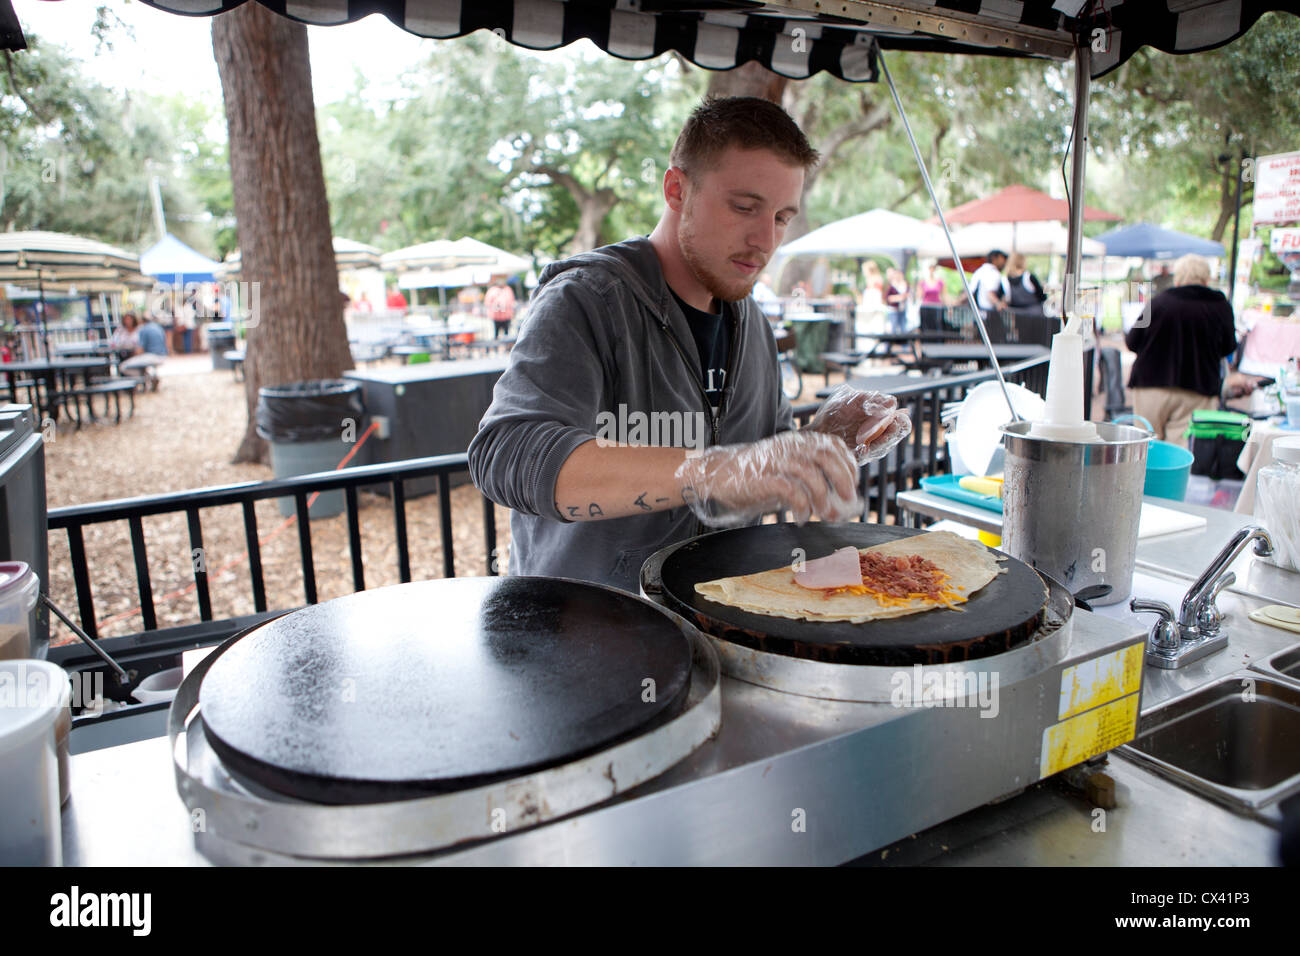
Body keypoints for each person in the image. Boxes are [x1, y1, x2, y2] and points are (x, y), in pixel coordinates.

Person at [468, 96, 912, 593]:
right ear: (677, 189)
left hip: (723, 625)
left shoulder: (754, 326)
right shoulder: (587, 301)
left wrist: (821, 443)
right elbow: (505, 455)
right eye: (745, 207)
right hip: (587, 634)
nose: (765, 239)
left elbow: (753, 466)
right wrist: (709, 469)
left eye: (783, 217)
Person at [1125, 254, 1237, 443]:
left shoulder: (1157, 303)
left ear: (1178, 277)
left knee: (1146, 449)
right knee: (1181, 453)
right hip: (1198, 389)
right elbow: (1229, 348)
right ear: (1206, 278)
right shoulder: (1221, 307)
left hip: (1150, 386)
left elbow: (1132, 341)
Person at [970, 249, 1009, 342]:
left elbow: (969, 292)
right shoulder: (994, 274)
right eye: (1002, 259)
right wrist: (999, 304)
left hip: (978, 316)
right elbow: (990, 293)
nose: (1004, 262)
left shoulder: (979, 272)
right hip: (990, 317)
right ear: (995, 259)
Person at [1004, 253, 1047, 319]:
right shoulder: (1029, 277)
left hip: (1017, 317)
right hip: (1035, 316)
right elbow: (1043, 297)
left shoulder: (1005, 280)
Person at [917, 263, 947, 333]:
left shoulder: (940, 282)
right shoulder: (922, 282)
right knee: (926, 325)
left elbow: (944, 295)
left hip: (937, 306)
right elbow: (919, 296)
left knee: (937, 325)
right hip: (926, 306)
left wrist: (947, 305)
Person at [884, 267, 909, 334]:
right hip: (893, 310)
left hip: (902, 309)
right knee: (893, 329)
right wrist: (898, 298)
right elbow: (887, 297)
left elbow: (907, 294)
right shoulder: (892, 286)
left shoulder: (904, 285)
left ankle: (904, 344)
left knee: (903, 329)